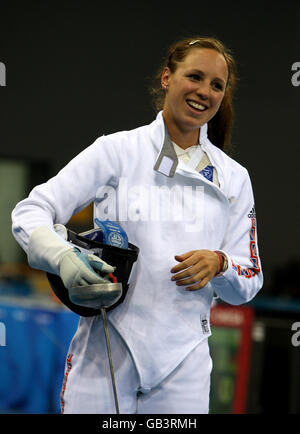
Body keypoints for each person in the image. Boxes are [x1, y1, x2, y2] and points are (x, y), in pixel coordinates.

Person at [11, 36, 263, 414]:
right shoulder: (117, 151)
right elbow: (30, 211)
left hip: (185, 364)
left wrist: (220, 263)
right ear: (166, 77)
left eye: (217, 85)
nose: (204, 92)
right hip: (105, 350)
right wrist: (62, 258)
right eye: (194, 76)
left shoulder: (234, 178)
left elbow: (250, 280)